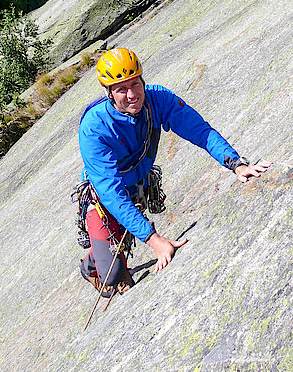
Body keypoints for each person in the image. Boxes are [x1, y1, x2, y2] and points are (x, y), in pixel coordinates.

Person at [78, 47, 271, 295]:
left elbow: (200, 130)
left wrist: (236, 164)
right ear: (109, 94)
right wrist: (154, 240)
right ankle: (91, 266)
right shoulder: (94, 128)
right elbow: (110, 193)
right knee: (112, 278)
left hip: (137, 186)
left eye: (135, 84)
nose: (131, 94)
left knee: (119, 258)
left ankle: (113, 255)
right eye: (121, 89)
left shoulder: (158, 100)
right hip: (104, 199)